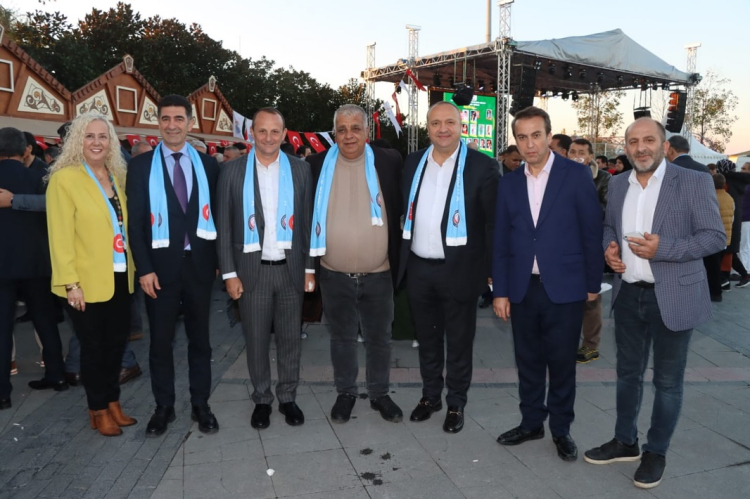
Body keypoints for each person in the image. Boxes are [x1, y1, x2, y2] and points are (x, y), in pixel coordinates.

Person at [583, 118, 725, 489]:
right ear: (626, 148)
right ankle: (625, 441)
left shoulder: (692, 181)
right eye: (633, 141)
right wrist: (609, 249)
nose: (640, 147)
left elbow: (715, 237)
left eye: (648, 140)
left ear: (664, 146)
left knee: (667, 382)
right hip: (629, 294)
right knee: (627, 374)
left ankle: (655, 451)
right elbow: (610, 227)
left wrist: (666, 248)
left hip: (674, 297)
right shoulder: (618, 183)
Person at [493, 106, 603, 461]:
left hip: (566, 286)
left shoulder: (575, 175)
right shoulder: (509, 182)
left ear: (549, 136)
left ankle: (561, 429)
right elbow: (501, 240)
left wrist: (592, 283)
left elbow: (591, 232)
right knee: (527, 361)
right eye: (522, 137)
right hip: (522, 287)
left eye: (536, 136)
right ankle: (531, 423)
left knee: (561, 363)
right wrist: (500, 291)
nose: (529, 144)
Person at [399, 101, 498, 433]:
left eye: (450, 122)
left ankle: (456, 401)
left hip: (460, 269)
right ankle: (431, 397)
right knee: (426, 339)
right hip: (419, 268)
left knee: (459, 341)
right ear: (427, 127)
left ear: (461, 126)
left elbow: (492, 225)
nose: (443, 129)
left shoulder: (482, 167)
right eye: (436, 123)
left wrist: (491, 272)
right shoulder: (413, 163)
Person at [127, 95, 220, 437]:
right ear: (158, 123)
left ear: (190, 123)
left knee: (201, 341)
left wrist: (217, 263)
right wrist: (144, 269)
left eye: (179, 119)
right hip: (159, 271)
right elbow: (135, 223)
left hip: (199, 267)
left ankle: (201, 404)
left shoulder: (208, 165)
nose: (172, 125)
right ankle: (163, 406)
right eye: (165, 119)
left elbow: (218, 217)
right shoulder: (141, 166)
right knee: (160, 343)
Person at [217, 108, 315, 429]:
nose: (269, 137)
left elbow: (308, 223)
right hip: (251, 272)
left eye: (275, 131)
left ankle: (287, 396)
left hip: (291, 270)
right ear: (252, 133)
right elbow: (224, 226)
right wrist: (229, 273)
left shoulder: (301, 170)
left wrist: (310, 268)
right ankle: (262, 399)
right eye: (262, 131)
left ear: (284, 134)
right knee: (256, 341)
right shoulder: (232, 171)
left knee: (290, 340)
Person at [306, 104, 403, 424]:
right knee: (342, 339)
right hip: (333, 274)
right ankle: (346, 392)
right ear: (334, 133)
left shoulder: (389, 161)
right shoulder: (316, 165)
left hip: (380, 273)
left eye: (355, 128)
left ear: (367, 132)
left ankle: (379, 394)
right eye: (342, 129)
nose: (349, 135)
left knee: (380, 339)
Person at [46, 114, 137, 436]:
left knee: (115, 346)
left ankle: (113, 402)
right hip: (83, 282)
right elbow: (59, 237)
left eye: (103, 136)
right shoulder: (64, 179)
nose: (96, 142)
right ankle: (97, 409)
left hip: (119, 276)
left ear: (111, 142)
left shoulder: (116, 176)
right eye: (89, 136)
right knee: (93, 347)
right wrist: (71, 283)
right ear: (77, 141)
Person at [0, 128, 67, 410]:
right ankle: (57, 375)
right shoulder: (41, 177)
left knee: (2, 328)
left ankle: (3, 393)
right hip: (38, 261)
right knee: (45, 320)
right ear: (26, 149)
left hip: (3, 264)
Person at [568, 138, 610, 363]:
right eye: (573, 151)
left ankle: (590, 344)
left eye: (581, 152)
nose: (577, 156)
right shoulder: (560, 176)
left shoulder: (603, 178)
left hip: (591, 244)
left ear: (591, 156)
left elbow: (605, 209)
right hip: (566, 245)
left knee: (591, 297)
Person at [704, 173, 733, 302]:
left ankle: (715, 293)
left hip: (713, 238)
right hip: (725, 238)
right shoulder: (729, 197)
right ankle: (717, 290)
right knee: (716, 266)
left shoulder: (711, 197)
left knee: (711, 267)